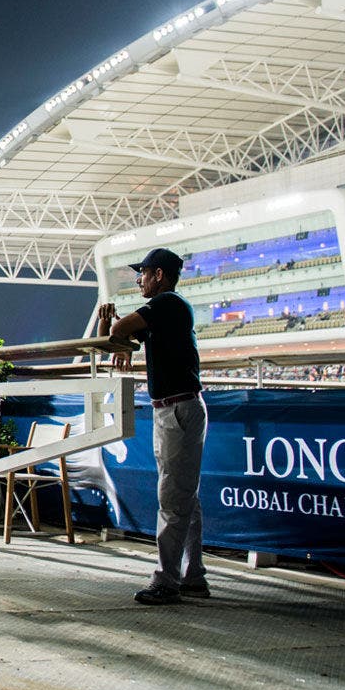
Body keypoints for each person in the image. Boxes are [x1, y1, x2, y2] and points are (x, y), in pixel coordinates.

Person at [107, 247, 209, 605]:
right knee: (185, 497)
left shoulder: (167, 304)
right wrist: (127, 342)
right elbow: (132, 338)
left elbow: (120, 329)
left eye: (143, 273)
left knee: (172, 497)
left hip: (176, 409)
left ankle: (167, 581)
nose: (139, 279)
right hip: (179, 407)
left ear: (159, 275)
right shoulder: (169, 312)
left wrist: (116, 328)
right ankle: (192, 575)